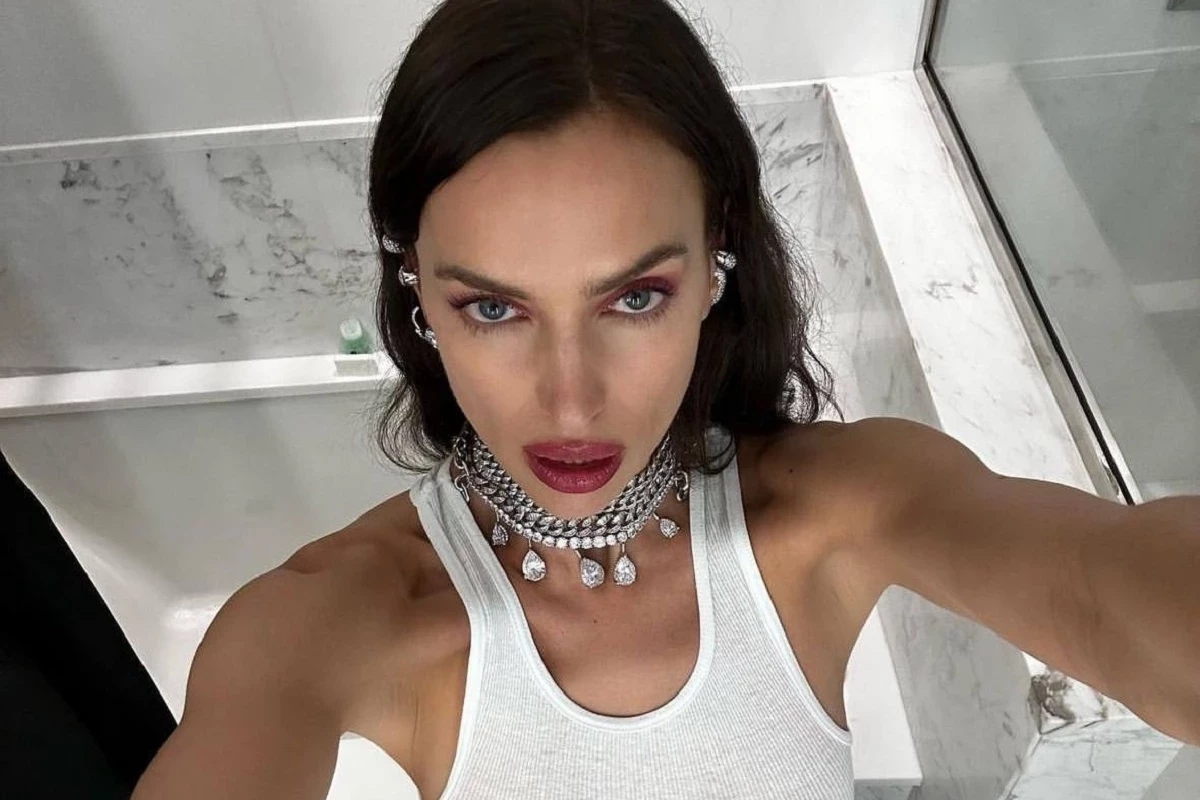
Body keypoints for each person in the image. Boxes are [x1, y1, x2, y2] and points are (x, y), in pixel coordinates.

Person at [131, 1, 1200, 798]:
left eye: (634, 297)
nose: (570, 397)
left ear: (717, 259)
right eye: (494, 308)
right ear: (416, 288)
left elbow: (1101, 588)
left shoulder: (840, 506)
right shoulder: (334, 619)